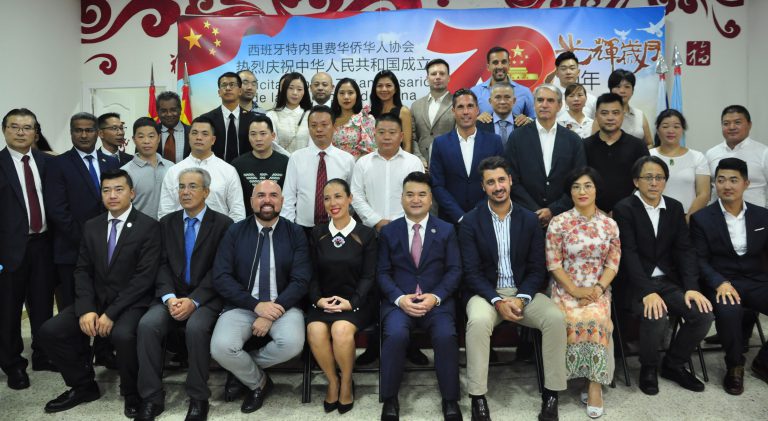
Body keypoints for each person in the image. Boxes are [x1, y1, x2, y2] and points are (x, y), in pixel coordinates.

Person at [39, 169, 161, 416]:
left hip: (131, 303)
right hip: (94, 301)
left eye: (119, 189)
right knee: (49, 332)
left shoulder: (149, 227)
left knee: (124, 335)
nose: (112, 195)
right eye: (106, 190)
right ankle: (83, 385)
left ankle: (131, 392)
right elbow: (82, 270)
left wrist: (112, 313)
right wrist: (86, 309)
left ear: (132, 193)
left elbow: (143, 279)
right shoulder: (92, 226)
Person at [460, 156, 567, 421]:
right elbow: (471, 273)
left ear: (510, 181)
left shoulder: (529, 220)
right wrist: (497, 301)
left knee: (555, 318)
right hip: (486, 294)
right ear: (483, 187)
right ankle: (478, 397)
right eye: (490, 182)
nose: (497, 186)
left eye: (501, 180)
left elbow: (536, 268)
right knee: (477, 322)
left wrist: (520, 298)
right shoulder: (471, 222)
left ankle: (551, 393)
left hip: (522, 293)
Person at [135, 168, 233, 421]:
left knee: (196, 329)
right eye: (181, 187)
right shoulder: (166, 223)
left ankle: (198, 398)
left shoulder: (223, 224)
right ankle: (151, 397)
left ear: (206, 192)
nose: (185, 192)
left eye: (192, 186)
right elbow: (161, 265)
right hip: (171, 296)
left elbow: (220, 270)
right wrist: (169, 298)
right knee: (147, 325)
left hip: (207, 299)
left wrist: (194, 300)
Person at [613, 156, 713, 396]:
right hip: (636, 283)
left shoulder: (675, 207)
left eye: (659, 178)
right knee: (656, 314)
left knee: (703, 314)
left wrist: (691, 286)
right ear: (636, 181)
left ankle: (674, 363)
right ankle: (648, 367)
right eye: (648, 177)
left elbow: (685, 249)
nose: (654, 182)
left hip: (668, 281)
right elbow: (629, 254)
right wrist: (647, 291)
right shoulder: (624, 208)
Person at [210, 180, 310, 413]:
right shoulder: (235, 231)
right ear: (251, 201)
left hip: (284, 304)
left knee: (292, 344)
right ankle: (259, 382)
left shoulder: (295, 232)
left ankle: (241, 371)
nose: (267, 200)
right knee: (221, 348)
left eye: (273, 195)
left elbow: (301, 280)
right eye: (261, 195)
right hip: (242, 304)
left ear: (282, 201)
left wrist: (273, 310)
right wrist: (256, 306)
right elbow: (221, 277)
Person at [378, 171, 462, 421]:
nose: (416, 199)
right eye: (410, 194)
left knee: (446, 335)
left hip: (436, 302)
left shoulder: (446, 230)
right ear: (401, 198)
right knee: (394, 334)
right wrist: (399, 299)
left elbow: (455, 270)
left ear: (431, 198)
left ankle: (450, 399)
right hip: (399, 303)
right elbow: (382, 273)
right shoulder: (389, 231)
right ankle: (390, 398)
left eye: (422, 194)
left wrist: (435, 297)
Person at [545, 167, 620, 419]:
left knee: (598, 319)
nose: (582, 191)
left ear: (596, 189)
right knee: (567, 319)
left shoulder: (609, 224)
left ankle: (594, 385)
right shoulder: (559, 222)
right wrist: (574, 289)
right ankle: (564, 379)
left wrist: (598, 289)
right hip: (565, 287)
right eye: (576, 187)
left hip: (598, 288)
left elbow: (613, 263)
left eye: (587, 185)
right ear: (570, 192)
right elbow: (553, 263)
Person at [690, 157, 768, 395]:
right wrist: (719, 282)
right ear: (714, 184)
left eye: (733, 180)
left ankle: (763, 361)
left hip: (756, 280)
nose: (727, 186)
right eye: (721, 180)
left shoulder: (762, 216)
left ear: (746, 183)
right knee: (729, 310)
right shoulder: (702, 219)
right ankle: (734, 365)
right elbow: (699, 260)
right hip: (722, 281)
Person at [307, 178, 377, 414]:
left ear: (350, 199)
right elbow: (311, 274)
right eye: (327, 198)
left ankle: (347, 381)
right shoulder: (317, 233)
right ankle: (333, 381)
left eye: (338, 196)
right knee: (315, 329)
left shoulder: (365, 234)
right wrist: (318, 299)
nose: (332, 202)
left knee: (340, 330)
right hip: (324, 301)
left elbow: (370, 276)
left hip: (357, 302)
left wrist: (352, 302)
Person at [0, 108, 56, 390]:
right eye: (15, 127)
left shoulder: (47, 163)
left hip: (43, 245)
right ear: (5, 130)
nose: (22, 132)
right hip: (8, 251)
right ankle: (12, 364)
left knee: (43, 305)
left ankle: (43, 354)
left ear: (36, 132)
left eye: (28, 127)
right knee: (8, 311)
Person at [46, 112, 120, 310]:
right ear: (71, 133)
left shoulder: (111, 162)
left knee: (105, 304)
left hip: (108, 250)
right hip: (72, 250)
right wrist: (87, 241)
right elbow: (57, 211)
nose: (84, 135)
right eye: (78, 130)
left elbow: (116, 204)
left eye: (89, 130)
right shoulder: (58, 164)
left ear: (98, 133)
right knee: (74, 308)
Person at [505, 83, 586, 227]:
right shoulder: (517, 137)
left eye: (550, 100)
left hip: (565, 219)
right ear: (534, 104)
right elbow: (512, 179)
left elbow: (579, 180)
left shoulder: (573, 140)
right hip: (525, 217)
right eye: (540, 100)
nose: (544, 104)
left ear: (560, 105)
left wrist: (553, 210)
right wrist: (535, 211)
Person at [430, 89, 504, 224]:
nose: (465, 112)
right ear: (453, 111)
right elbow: (437, 185)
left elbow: (499, 182)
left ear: (477, 110)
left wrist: (477, 213)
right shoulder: (440, 143)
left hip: (486, 218)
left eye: (470, 106)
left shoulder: (494, 141)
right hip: (450, 221)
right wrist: (459, 216)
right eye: (460, 107)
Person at [158, 116, 245, 222]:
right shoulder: (174, 171)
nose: (199, 137)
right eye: (194, 133)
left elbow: (237, 212)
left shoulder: (228, 171)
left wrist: (229, 237)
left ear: (213, 140)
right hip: (181, 234)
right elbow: (165, 211)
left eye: (205, 134)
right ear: (188, 137)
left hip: (220, 234)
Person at [281, 105, 355, 231]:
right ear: (308, 128)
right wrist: (289, 229)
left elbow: (353, 197)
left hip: (338, 227)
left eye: (324, 124)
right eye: (313, 125)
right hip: (303, 228)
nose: (319, 129)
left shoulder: (347, 159)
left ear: (334, 127)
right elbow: (288, 197)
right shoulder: (296, 158)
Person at [351, 113, 425, 231]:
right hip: (371, 230)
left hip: (406, 229)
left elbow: (419, 196)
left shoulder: (413, 163)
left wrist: (398, 222)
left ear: (401, 136)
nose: (386, 137)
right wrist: (376, 220)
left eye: (392, 132)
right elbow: (356, 195)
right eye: (381, 132)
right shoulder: (363, 163)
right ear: (374, 135)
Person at [583, 93, 649, 214]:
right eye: (604, 113)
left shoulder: (638, 146)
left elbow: (644, 181)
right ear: (596, 115)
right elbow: (577, 181)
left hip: (631, 212)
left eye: (615, 113)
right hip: (590, 213)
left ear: (622, 115)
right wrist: (594, 209)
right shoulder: (584, 146)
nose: (610, 118)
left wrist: (622, 209)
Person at [649, 109, 710, 218]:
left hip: (688, 217)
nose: (671, 130)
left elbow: (704, 194)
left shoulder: (698, 157)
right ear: (658, 131)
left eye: (676, 126)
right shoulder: (648, 155)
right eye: (665, 126)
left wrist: (688, 219)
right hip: (653, 216)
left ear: (682, 130)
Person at [705, 105, 768, 208]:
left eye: (737, 122)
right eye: (726, 124)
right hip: (718, 218)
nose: (731, 127)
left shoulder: (764, 153)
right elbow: (707, 191)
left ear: (749, 125)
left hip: (755, 217)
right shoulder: (711, 153)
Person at [231, 114, 289, 211]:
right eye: (253, 134)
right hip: (247, 221)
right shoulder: (237, 165)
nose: (258, 139)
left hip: (279, 220)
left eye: (263, 133)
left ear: (273, 136)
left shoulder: (286, 163)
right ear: (248, 136)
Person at [122, 117, 173, 220]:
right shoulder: (125, 172)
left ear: (158, 138)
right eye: (141, 137)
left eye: (151, 136)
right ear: (134, 139)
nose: (146, 141)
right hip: (139, 231)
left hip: (169, 229)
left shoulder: (171, 167)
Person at [199, 72, 256, 163]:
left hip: (245, 169)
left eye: (232, 85)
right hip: (215, 169)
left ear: (240, 91)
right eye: (224, 85)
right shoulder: (207, 120)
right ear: (219, 92)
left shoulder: (252, 119)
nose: (228, 88)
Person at [471, 46, 535, 121]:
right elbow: (466, 121)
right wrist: (476, 120)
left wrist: (528, 120)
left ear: (509, 65)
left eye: (504, 62)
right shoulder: (475, 92)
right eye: (495, 62)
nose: (500, 66)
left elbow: (537, 120)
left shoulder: (525, 92)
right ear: (488, 67)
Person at [591, 69, 653, 148]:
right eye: (618, 86)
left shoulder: (639, 115)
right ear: (611, 90)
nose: (622, 91)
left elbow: (649, 143)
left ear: (632, 90)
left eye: (627, 87)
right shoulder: (602, 117)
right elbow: (593, 144)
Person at [411, 58, 455, 166]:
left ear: (448, 78)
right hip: (421, 166)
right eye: (433, 74)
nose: (438, 77)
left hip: (449, 164)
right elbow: (412, 137)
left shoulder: (458, 103)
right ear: (427, 78)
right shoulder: (416, 105)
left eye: (442, 73)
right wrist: (418, 158)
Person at [266, 72, 312, 153]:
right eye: (291, 88)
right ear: (284, 90)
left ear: (304, 92)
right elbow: (272, 144)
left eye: (299, 89)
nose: (295, 93)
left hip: (306, 163)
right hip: (281, 163)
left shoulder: (310, 115)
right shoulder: (272, 115)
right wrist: (291, 159)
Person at [331, 78, 376, 159]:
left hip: (359, 168)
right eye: (341, 93)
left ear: (357, 95)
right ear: (336, 96)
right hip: (334, 167)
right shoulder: (330, 120)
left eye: (350, 93)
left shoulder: (366, 119)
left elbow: (372, 150)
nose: (346, 97)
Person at [370, 70, 412, 153]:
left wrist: (405, 164)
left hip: (397, 161)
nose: (384, 89)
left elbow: (407, 144)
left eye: (388, 85)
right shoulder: (369, 113)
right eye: (380, 86)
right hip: (373, 160)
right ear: (375, 89)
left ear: (395, 89)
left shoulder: (403, 111)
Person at [552, 51, 596, 118]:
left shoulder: (591, 100)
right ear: (557, 73)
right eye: (563, 69)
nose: (568, 72)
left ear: (578, 72)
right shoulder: (550, 100)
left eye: (572, 68)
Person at [155, 91, 190, 163]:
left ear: (180, 109)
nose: (169, 114)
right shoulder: (152, 132)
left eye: (173, 110)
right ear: (158, 112)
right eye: (164, 111)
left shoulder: (192, 132)